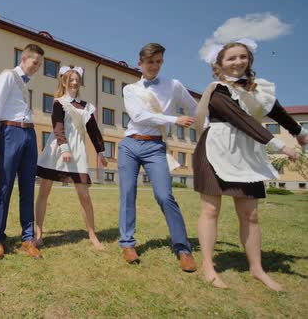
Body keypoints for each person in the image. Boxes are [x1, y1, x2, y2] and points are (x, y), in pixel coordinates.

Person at [194, 39, 307, 290]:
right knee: (211, 210)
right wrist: (279, 146)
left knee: (251, 214)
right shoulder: (217, 91)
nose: (237, 62)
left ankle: (257, 268)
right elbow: (241, 119)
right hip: (215, 150)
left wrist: (298, 130)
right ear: (219, 65)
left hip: (246, 153)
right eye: (231, 58)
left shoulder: (259, 89)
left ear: (249, 59)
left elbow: (276, 111)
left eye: (242, 57)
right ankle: (208, 265)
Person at [119, 43, 198, 272]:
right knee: (127, 193)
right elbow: (139, 116)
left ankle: (183, 249)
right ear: (140, 64)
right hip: (130, 144)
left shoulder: (173, 86)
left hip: (155, 147)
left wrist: (212, 125)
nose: (154, 66)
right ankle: (127, 244)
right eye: (150, 62)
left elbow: (194, 108)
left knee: (165, 195)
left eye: (158, 61)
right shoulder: (130, 89)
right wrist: (174, 120)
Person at [0, 44, 44, 260]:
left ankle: (28, 238)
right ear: (24, 58)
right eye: (35, 63)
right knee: (5, 186)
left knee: (28, 188)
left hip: (29, 134)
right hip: (10, 132)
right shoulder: (8, 76)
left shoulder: (27, 84)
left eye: (39, 64)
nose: (37, 67)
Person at [35, 66, 107, 250]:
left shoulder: (86, 106)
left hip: (78, 153)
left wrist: (101, 151)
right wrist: (64, 147)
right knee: (44, 192)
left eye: (77, 79)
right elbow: (57, 126)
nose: (74, 82)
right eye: (71, 79)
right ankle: (38, 233)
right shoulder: (59, 102)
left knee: (84, 196)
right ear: (64, 81)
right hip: (57, 150)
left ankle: (92, 234)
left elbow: (93, 130)